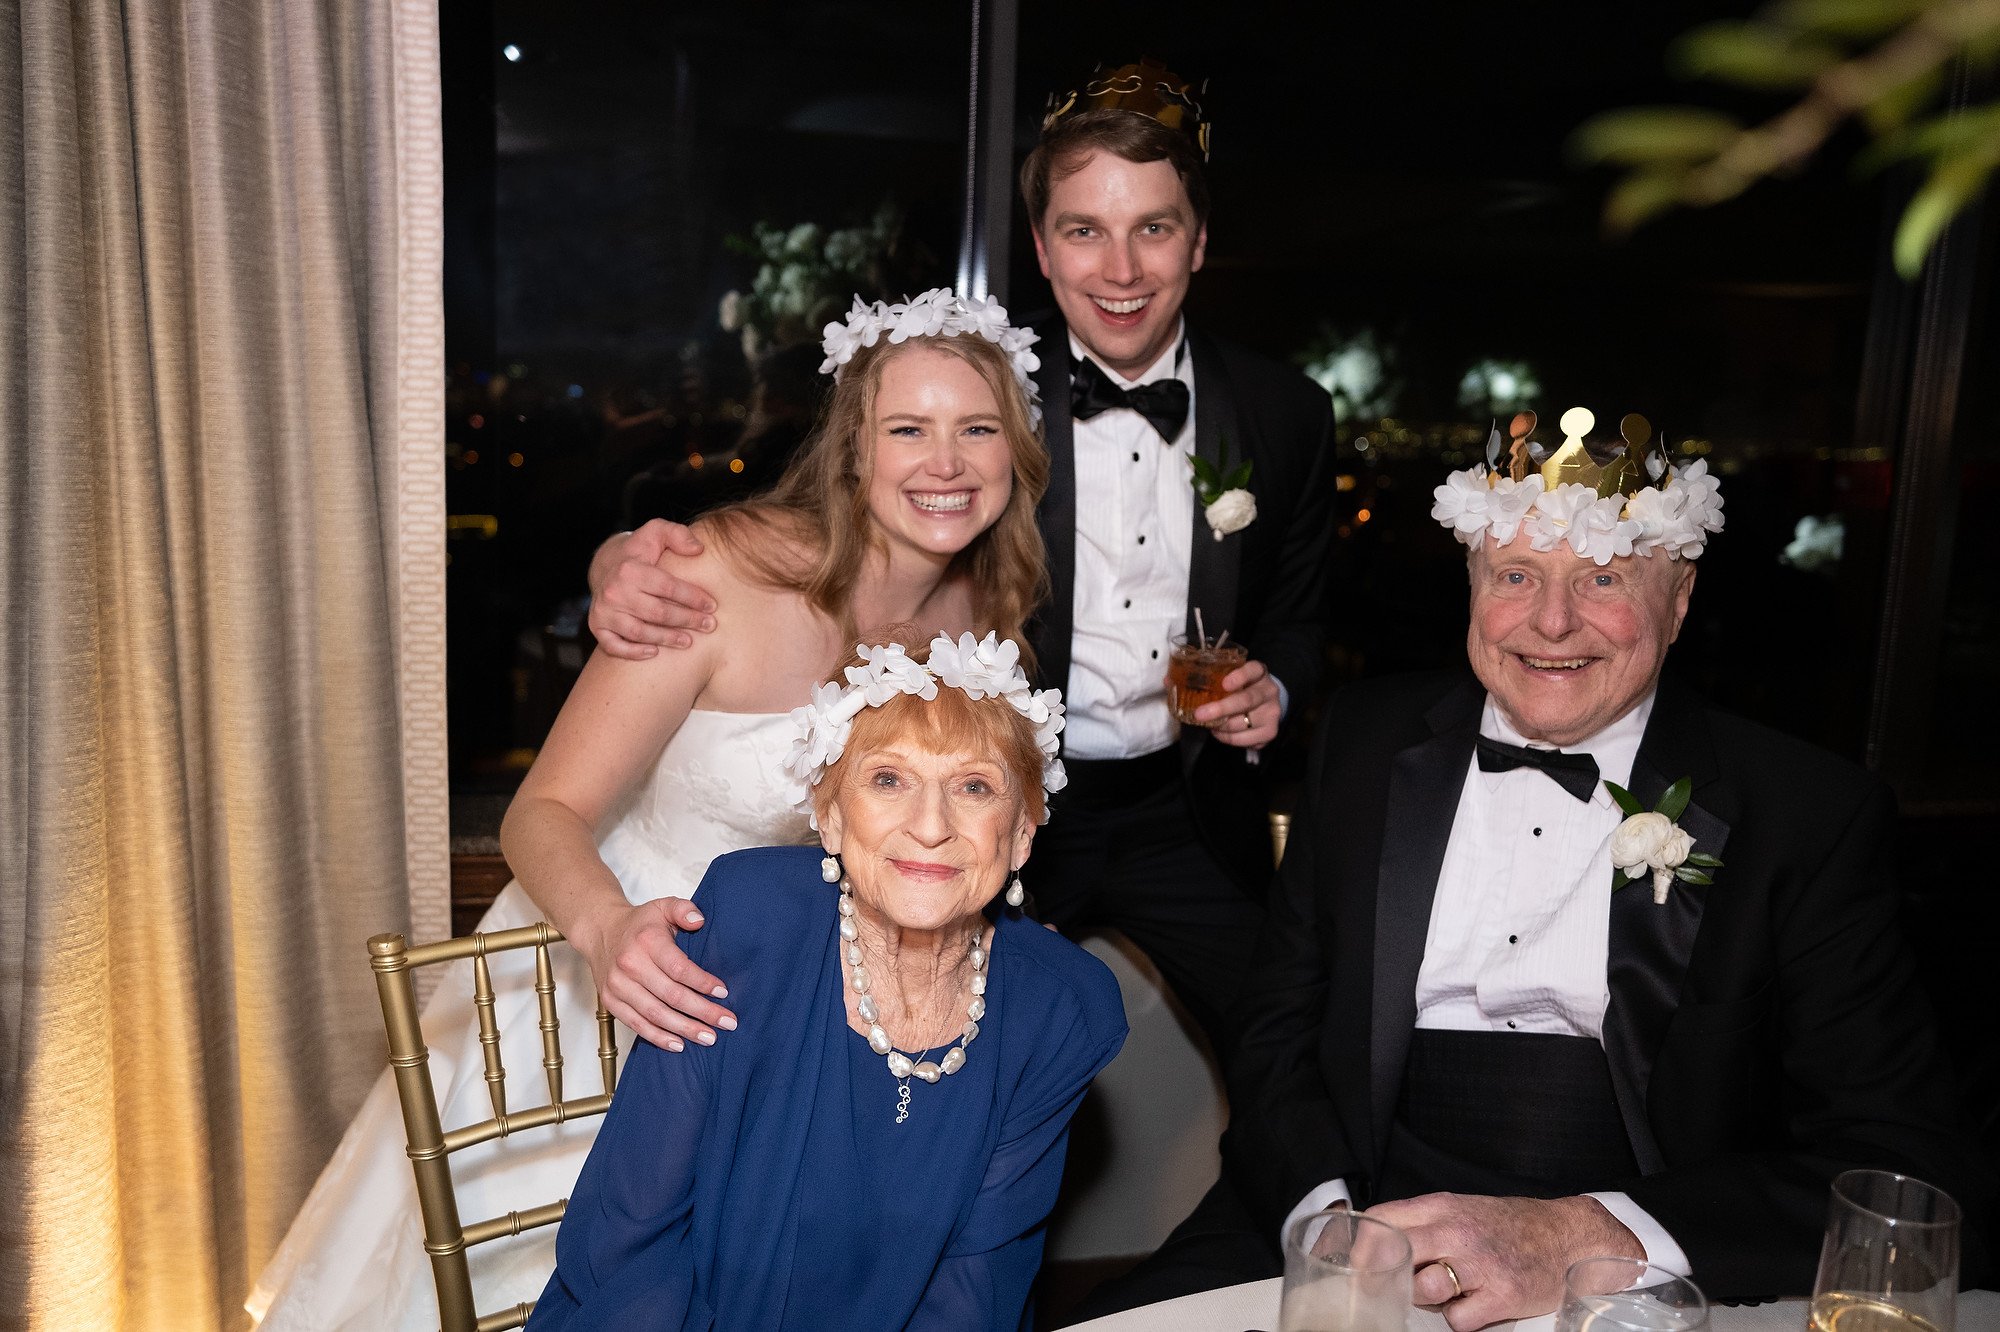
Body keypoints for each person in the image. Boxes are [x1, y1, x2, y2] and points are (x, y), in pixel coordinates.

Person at [249, 289, 1052, 1331]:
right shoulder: (714, 578)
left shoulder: (983, 613)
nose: (943, 462)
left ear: (1014, 453)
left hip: (810, 1017)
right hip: (619, 977)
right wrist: (606, 929)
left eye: (975, 429)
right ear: (854, 451)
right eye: (907, 429)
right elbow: (541, 811)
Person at [1086, 409, 1995, 1327]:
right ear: (1472, 586)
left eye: (1602, 578)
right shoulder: (1362, 743)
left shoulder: (1805, 813)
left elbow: (1908, 1164)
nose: (1551, 622)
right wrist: (1333, 1229)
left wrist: (1587, 1234)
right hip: (1352, 1200)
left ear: (1678, 602)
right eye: (1516, 574)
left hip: (1629, 1250)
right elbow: (1274, 1029)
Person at [584, 59, 1337, 1056]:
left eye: (1151, 228)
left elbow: (1304, 610)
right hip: (996, 805)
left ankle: (1307, 1217)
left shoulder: (1286, 412)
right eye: (1083, 231)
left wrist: (1274, 691)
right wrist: (614, 562)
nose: (1119, 270)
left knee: (1295, 1048)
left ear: (1196, 240)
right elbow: (795, 503)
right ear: (1040, 244)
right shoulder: (971, 385)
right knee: (969, 1076)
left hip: (1188, 812)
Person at [524, 634, 1125, 1330]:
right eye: (888, 779)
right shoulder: (747, 924)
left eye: (974, 786)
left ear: (1021, 833)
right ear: (831, 816)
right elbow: (631, 1233)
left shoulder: (1060, 1009)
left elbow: (978, 1286)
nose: (931, 826)